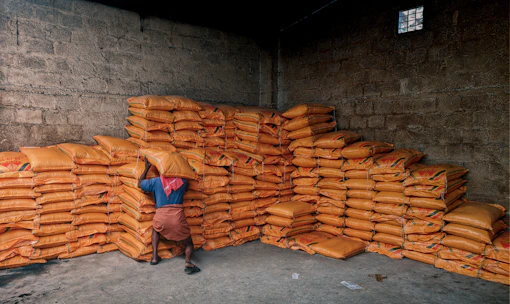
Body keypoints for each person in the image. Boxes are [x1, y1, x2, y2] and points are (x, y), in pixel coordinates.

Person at [138, 159, 200, 274]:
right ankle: (188, 262)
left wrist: (147, 168)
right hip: (177, 217)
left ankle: (154, 257)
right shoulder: (182, 182)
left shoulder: (155, 181)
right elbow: (187, 187)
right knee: (189, 243)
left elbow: (139, 183)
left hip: (161, 216)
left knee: (155, 230)